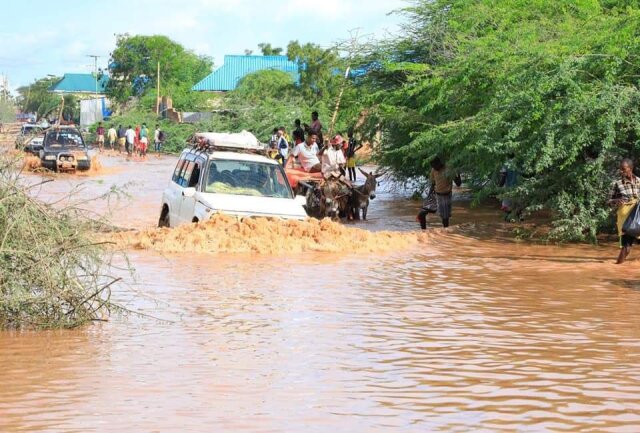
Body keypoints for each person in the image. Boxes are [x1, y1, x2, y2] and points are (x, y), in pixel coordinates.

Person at [608, 158, 640, 264]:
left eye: (623, 169)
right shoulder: (617, 184)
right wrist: (616, 200)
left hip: (638, 215)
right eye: (620, 169)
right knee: (626, 246)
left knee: (627, 246)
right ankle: (617, 266)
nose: (621, 171)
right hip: (626, 218)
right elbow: (608, 201)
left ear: (631, 168)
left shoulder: (639, 181)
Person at [430, 156, 461, 228]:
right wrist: (429, 196)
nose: (434, 168)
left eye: (435, 166)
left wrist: (458, 173)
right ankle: (446, 231)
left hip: (446, 195)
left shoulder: (448, 169)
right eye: (432, 166)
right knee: (443, 216)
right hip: (438, 195)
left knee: (445, 217)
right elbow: (433, 183)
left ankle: (446, 231)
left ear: (439, 163)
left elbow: (458, 183)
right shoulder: (433, 170)